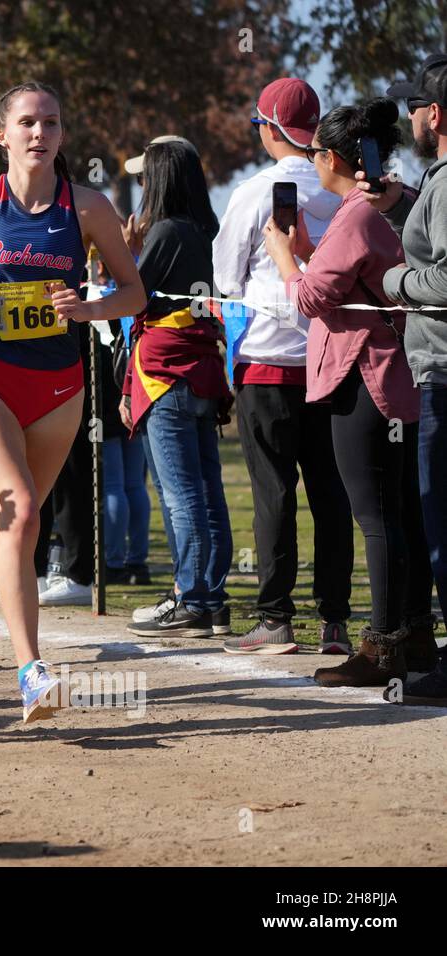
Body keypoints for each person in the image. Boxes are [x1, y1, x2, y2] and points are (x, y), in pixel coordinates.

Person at [0, 83, 146, 721]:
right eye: (28, 123)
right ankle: (31, 671)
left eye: (52, 123)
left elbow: (135, 293)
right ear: (2, 135)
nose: (40, 134)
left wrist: (89, 307)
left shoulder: (88, 207)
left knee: (16, 523)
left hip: (61, 384)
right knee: (21, 513)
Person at [265, 97, 437, 687]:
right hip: (389, 378)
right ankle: (414, 636)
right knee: (401, 514)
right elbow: (350, 278)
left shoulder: (357, 214)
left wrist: (286, 258)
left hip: (366, 380)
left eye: (315, 153)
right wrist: (312, 256)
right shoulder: (374, 209)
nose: (310, 162)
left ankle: (384, 647)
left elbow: (311, 300)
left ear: (334, 156)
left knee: (377, 516)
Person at [212, 78, 355, 655]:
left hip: (268, 360)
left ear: (269, 129)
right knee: (332, 493)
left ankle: (275, 618)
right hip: (330, 361)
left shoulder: (256, 189)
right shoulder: (342, 189)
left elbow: (224, 278)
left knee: (274, 493)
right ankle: (336, 623)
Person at [120, 137, 234, 640]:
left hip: (165, 371)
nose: (141, 184)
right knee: (206, 488)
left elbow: (133, 301)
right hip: (203, 367)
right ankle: (208, 596)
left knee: (179, 491)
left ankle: (192, 598)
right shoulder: (207, 227)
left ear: (160, 178)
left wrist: (126, 255)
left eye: (145, 176)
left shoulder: (166, 230)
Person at [368, 53, 447, 704]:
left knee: (439, 519)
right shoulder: (436, 184)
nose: (410, 119)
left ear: (436, 115)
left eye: (415, 106)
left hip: (443, 371)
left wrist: (394, 283)